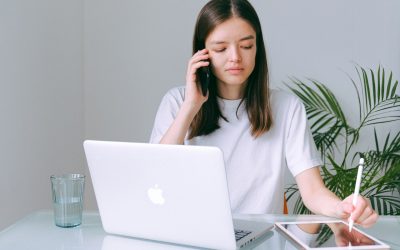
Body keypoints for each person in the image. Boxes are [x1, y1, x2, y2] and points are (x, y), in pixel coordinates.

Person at [149, 0, 377, 228]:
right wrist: (190, 106)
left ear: (257, 48)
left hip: (260, 240)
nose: (235, 57)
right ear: (202, 54)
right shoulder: (177, 102)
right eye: (220, 49)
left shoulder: (287, 107)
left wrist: (342, 209)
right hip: (192, 236)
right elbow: (156, 177)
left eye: (246, 46)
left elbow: (313, 191)